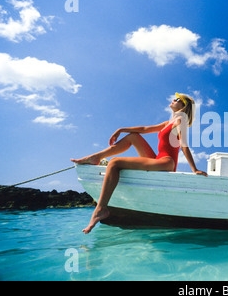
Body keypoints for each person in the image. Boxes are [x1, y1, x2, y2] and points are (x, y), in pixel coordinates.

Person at [71, 93, 207, 234]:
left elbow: (184, 145)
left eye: (177, 99)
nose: (173, 100)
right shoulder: (169, 122)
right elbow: (144, 129)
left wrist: (194, 169)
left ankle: (101, 209)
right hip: (157, 158)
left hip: (166, 162)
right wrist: (121, 129)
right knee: (133, 136)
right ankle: (96, 157)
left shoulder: (181, 120)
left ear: (184, 106)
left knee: (115, 163)